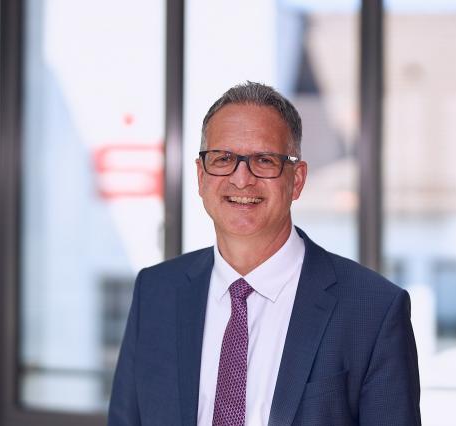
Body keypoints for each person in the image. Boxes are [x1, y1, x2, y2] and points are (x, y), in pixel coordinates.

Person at [108, 82, 421, 426]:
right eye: (223, 159)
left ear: (297, 180)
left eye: (264, 160)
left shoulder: (373, 310)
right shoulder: (155, 292)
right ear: (200, 177)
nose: (242, 179)